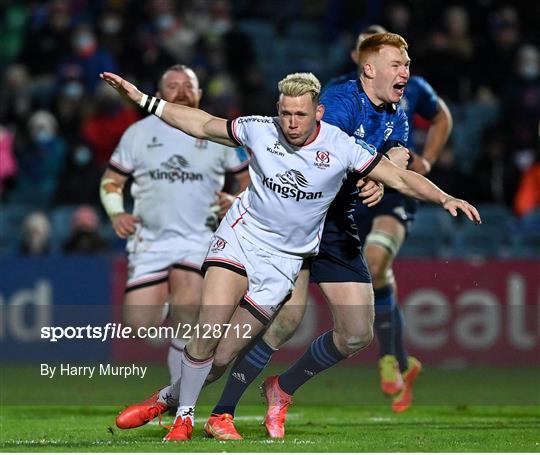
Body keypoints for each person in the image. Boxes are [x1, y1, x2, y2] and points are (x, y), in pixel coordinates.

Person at [100, 67, 480, 442]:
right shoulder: (259, 129)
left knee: (221, 357)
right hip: (241, 238)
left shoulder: (341, 147)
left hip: (283, 261)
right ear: (277, 110)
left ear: (318, 112)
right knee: (209, 330)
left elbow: (399, 178)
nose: (292, 123)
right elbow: (201, 124)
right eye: (285, 113)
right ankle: (185, 421)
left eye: (300, 114)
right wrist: (144, 100)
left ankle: (164, 399)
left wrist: (444, 196)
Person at [193, 31, 432, 441]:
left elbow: (394, 154)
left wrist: (389, 173)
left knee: (357, 333)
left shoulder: (397, 111)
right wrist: (243, 194)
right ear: (368, 67)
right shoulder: (338, 104)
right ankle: (218, 410)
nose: (405, 71)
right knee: (284, 319)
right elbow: (291, 158)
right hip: (299, 222)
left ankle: (281, 388)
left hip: (337, 225)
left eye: (407, 65)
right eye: (398, 64)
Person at [99, 64, 250, 386]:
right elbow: (112, 181)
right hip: (150, 240)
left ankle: (178, 396)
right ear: (158, 95)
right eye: (173, 85)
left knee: (188, 307)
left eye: (188, 85)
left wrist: (236, 199)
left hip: (200, 238)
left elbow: (248, 178)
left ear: (199, 93)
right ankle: (175, 331)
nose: (181, 91)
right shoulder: (138, 133)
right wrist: (116, 213)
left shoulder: (217, 131)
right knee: (139, 323)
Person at [329, 24, 454, 412]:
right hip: (353, 194)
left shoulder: (412, 88)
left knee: (378, 259)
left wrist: (427, 159)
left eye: (402, 60)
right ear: (361, 61)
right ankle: (400, 361)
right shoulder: (341, 94)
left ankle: (389, 357)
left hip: (396, 187)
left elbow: (442, 118)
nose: (401, 69)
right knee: (373, 271)